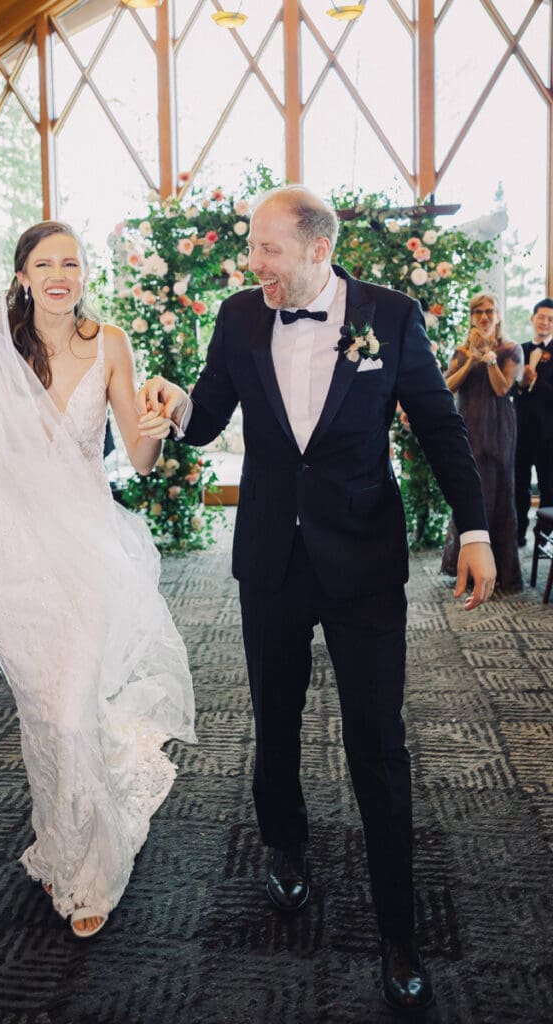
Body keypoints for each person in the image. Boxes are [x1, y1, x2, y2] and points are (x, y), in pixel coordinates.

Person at [137, 185, 496, 1011]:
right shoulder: (237, 317)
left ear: (316, 250)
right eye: (251, 248)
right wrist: (175, 402)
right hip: (272, 556)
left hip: (363, 559)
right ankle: (285, 847)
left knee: (379, 742)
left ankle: (399, 928)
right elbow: (207, 416)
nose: (251, 262)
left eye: (266, 248)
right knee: (276, 717)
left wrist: (474, 532)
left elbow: (440, 426)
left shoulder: (390, 316)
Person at [0, 32, 195, 940]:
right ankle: (60, 834)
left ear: (83, 273)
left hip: (90, 540)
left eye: (72, 263)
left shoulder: (112, 345)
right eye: (44, 264)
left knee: (75, 709)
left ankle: (95, 865)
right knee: (43, 712)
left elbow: (136, 463)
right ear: (22, 277)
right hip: (17, 543)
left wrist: (161, 420)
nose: (61, 277)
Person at [441, 292, 523, 591]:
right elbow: (446, 387)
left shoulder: (511, 350)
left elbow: (503, 390)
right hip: (469, 428)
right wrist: (472, 360)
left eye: (489, 311)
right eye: (478, 313)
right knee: (471, 491)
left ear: (498, 316)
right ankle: (469, 566)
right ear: (472, 317)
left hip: (500, 431)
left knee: (499, 493)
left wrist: (490, 360)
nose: (484, 317)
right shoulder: (461, 352)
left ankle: (502, 570)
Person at [514, 297, 553, 545]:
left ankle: (543, 536)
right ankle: (518, 533)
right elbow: (509, 388)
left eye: (550, 319)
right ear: (532, 319)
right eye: (541, 317)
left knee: (548, 484)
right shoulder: (520, 349)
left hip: (548, 432)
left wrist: (535, 382)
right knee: (519, 484)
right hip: (519, 429)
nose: (545, 323)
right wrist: (521, 385)